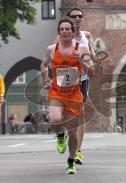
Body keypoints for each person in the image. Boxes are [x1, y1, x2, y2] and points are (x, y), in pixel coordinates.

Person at [40, 17, 94, 174]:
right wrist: (46, 79)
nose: (65, 31)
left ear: (72, 32)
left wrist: (81, 61)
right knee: (55, 119)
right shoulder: (51, 49)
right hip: (56, 91)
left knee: (73, 131)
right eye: (62, 29)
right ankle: (59, 135)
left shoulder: (82, 48)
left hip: (74, 94)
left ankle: (71, 161)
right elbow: (43, 65)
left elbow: (92, 71)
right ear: (59, 32)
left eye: (67, 29)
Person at [66, 7, 96, 165]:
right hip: (66, 78)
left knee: (81, 114)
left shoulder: (86, 35)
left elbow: (92, 52)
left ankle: (77, 151)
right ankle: (65, 133)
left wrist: (92, 57)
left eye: (80, 16)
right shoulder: (62, 36)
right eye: (74, 16)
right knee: (66, 113)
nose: (77, 18)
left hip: (82, 78)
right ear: (68, 19)